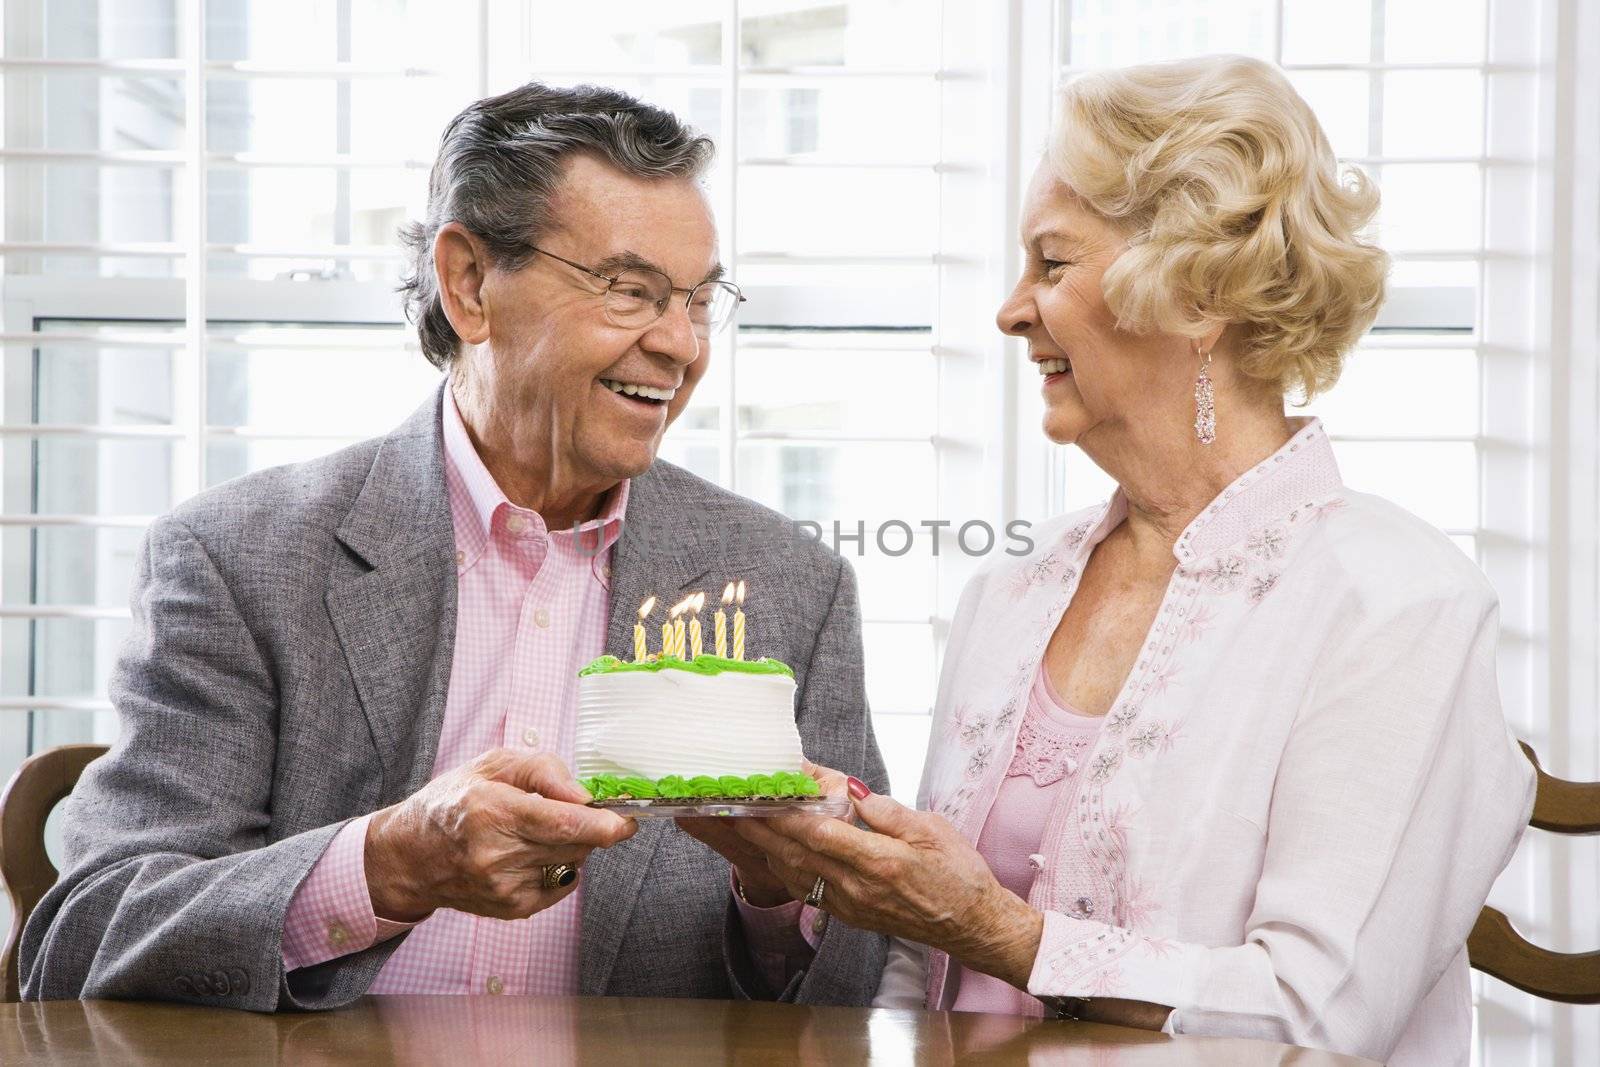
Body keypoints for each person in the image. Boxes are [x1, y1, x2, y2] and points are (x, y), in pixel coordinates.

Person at [732, 55, 1535, 1066]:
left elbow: (1313, 1018)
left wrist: (1002, 932)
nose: (1010, 309)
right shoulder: (1009, 594)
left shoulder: (1396, 605)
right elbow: (915, 979)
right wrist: (788, 877)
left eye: (1052, 263)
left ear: (1198, 292)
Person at [21, 82, 887, 1010]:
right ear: (469, 282)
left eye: (699, 300)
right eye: (630, 290)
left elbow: (861, 973)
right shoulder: (240, 558)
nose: (680, 344)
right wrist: (387, 868)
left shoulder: (792, 586)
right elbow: (86, 938)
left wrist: (778, 893)